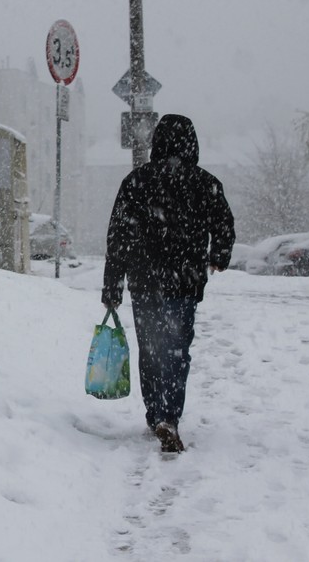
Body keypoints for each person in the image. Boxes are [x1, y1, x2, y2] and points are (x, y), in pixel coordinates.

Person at [101, 114, 235, 453]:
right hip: (184, 282)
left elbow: (118, 235)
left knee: (151, 350)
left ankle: (155, 414)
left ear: (156, 142)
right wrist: (218, 255)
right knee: (176, 351)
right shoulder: (204, 183)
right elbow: (223, 223)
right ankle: (170, 415)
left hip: (145, 281)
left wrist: (113, 284)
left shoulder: (137, 181)